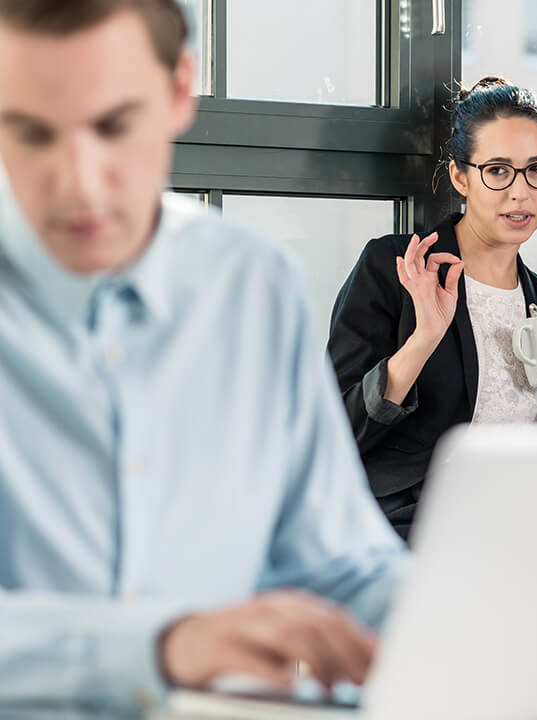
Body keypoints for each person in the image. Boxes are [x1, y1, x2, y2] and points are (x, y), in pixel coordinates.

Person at [0, 0, 406, 710]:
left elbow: (336, 561)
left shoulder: (251, 285)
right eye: (30, 134)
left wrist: (475, 620)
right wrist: (161, 645)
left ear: (180, 91)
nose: (81, 183)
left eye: (114, 126)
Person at [327, 78, 537, 539]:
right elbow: (334, 434)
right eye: (497, 170)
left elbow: (533, 463)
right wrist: (424, 337)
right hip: (408, 535)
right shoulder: (397, 269)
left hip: (515, 533)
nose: (520, 192)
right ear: (460, 177)